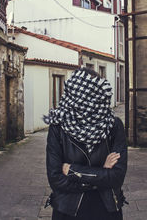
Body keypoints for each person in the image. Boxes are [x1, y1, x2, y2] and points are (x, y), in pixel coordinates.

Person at [44, 67, 127, 220]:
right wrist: (101, 172)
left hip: (107, 209)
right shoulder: (58, 127)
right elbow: (55, 179)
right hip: (67, 210)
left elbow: (117, 176)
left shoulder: (113, 125)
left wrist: (72, 171)